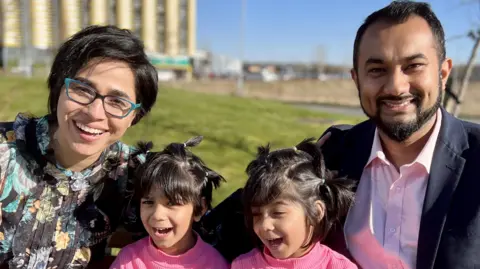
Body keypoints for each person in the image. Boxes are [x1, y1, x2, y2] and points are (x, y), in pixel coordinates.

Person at [317, 1, 480, 268]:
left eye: (413, 66)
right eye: (377, 70)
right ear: (357, 79)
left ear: (443, 73)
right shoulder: (331, 155)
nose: (395, 86)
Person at [0, 25, 158, 268]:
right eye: (82, 90)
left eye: (117, 101)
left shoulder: (138, 177)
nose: (94, 113)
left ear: (134, 116)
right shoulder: (5, 150)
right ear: (58, 87)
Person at [231, 138, 357, 269]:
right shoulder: (242, 265)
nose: (264, 225)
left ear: (317, 211)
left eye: (278, 213)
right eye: (256, 214)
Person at [110, 136, 229, 269]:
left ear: (200, 208)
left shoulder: (215, 264)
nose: (157, 215)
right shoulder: (128, 260)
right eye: (149, 202)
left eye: (172, 203)